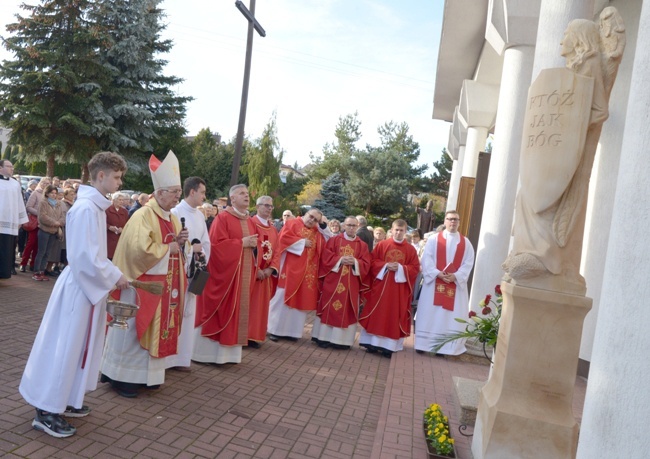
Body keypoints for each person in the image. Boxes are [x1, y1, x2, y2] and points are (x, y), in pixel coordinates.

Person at [19, 151, 129, 438]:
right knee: (64, 347)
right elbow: (83, 257)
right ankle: (45, 410)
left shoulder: (95, 208)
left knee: (77, 347)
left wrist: (112, 274)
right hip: (78, 289)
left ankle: (65, 398)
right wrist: (116, 276)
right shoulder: (84, 209)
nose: (120, 183)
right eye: (117, 177)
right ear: (101, 175)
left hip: (86, 288)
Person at [101, 151, 189, 397]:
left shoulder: (171, 218)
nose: (177, 198)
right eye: (174, 193)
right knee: (131, 330)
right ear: (160, 193)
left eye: (179, 193)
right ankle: (122, 377)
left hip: (163, 287)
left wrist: (179, 243)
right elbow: (137, 250)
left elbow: (173, 248)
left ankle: (148, 377)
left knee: (157, 329)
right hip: (140, 286)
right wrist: (167, 248)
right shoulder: (142, 215)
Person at [194, 184, 257, 364]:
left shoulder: (250, 221)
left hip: (241, 276)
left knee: (238, 310)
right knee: (220, 309)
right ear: (232, 198)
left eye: (247, 193)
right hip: (225, 277)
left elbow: (254, 247)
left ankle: (229, 356)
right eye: (241, 193)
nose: (246, 196)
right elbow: (215, 247)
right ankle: (206, 355)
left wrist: (253, 247)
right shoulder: (223, 218)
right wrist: (240, 244)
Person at [415, 211, 475, 355]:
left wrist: (456, 276)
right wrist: (437, 273)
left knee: (448, 316)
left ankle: (443, 348)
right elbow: (426, 259)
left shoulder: (465, 243)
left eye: (455, 219)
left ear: (459, 222)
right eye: (450, 219)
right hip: (434, 283)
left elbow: (468, 263)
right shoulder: (434, 239)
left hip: (454, 285)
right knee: (430, 313)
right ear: (445, 221)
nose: (453, 222)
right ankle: (423, 345)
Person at [358, 219, 420, 358]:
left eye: (401, 230)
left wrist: (401, 268)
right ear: (391, 230)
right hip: (381, 287)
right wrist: (385, 266)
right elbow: (372, 261)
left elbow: (415, 268)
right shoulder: (382, 245)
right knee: (377, 313)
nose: (398, 233)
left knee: (394, 314)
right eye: (396, 230)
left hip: (399, 290)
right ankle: (371, 343)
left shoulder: (410, 250)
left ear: (405, 232)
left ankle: (389, 346)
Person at [267, 208, 331, 341]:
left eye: (316, 220)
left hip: (308, 271)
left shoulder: (316, 230)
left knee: (301, 299)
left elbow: (328, 241)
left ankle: (292, 332)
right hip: (290, 268)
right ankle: (274, 329)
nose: (312, 220)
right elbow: (283, 239)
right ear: (305, 214)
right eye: (311, 216)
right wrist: (301, 242)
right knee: (281, 298)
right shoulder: (292, 223)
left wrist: (324, 228)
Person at [167, 176, 210, 371]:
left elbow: (206, 243)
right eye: (202, 192)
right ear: (192, 192)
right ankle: (170, 356)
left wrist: (200, 252)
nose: (204, 196)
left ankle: (183, 357)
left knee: (188, 313)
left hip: (194, 271)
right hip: (179, 270)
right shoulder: (175, 212)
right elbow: (175, 241)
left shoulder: (200, 216)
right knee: (175, 311)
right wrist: (192, 248)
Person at [312, 216, 371, 350]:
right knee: (328, 307)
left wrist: (356, 262)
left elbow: (367, 264)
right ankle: (323, 338)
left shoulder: (362, 245)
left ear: (357, 227)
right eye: (349, 225)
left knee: (347, 309)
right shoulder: (334, 240)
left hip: (351, 284)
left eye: (354, 226)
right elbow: (326, 257)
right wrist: (340, 260)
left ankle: (341, 341)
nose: (351, 228)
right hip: (333, 281)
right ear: (343, 226)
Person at [247, 196, 281, 348]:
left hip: (265, 275)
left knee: (261, 307)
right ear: (258, 206)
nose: (269, 209)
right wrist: (257, 268)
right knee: (249, 305)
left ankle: (255, 336)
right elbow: (250, 249)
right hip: (252, 273)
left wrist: (270, 269)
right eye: (266, 205)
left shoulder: (273, 229)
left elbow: (277, 251)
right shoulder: (250, 223)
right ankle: (245, 335)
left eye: (271, 206)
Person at [0, 160, 28, 279]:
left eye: (12, 166)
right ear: (0, 168)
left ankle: (3, 273)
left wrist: (21, 220)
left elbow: (19, 202)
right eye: (9, 166)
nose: (12, 169)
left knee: (6, 249)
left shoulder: (15, 184)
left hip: (10, 222)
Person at [32, 185, 65, 281]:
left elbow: (62, 216)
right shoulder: (43, 203)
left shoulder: (59, 204)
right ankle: (36, 271)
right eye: (52, 193)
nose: (54, 195)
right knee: (41, 252)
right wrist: (54, 222)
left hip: (54, 231)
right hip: (44, 230)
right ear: (47, 193)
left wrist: (60, 222)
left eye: (55, 193)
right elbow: (42, 216)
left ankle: (42, 271)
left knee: (47, 253)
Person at [21, 177, 51, 272]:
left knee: (39, 246)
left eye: (47, 183)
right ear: (40, 183)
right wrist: (40, 214)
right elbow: (28, 207)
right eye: (43, 183)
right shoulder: (35, 193)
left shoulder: (50, 195)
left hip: (45, 224)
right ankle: (23, 263)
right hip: (35, 222)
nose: (45, 185)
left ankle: (33, 264)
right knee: (31, 243)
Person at [106, 192, 129, 260]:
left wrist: (123, 229)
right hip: (109, 239)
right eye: (119, 200)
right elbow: (101, 222)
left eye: (122, 200)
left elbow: (127, 224)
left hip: (120, 239)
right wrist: (109, 227)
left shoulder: (124, 211)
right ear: (114, 200)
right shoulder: (107, 210)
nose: (121, 202)